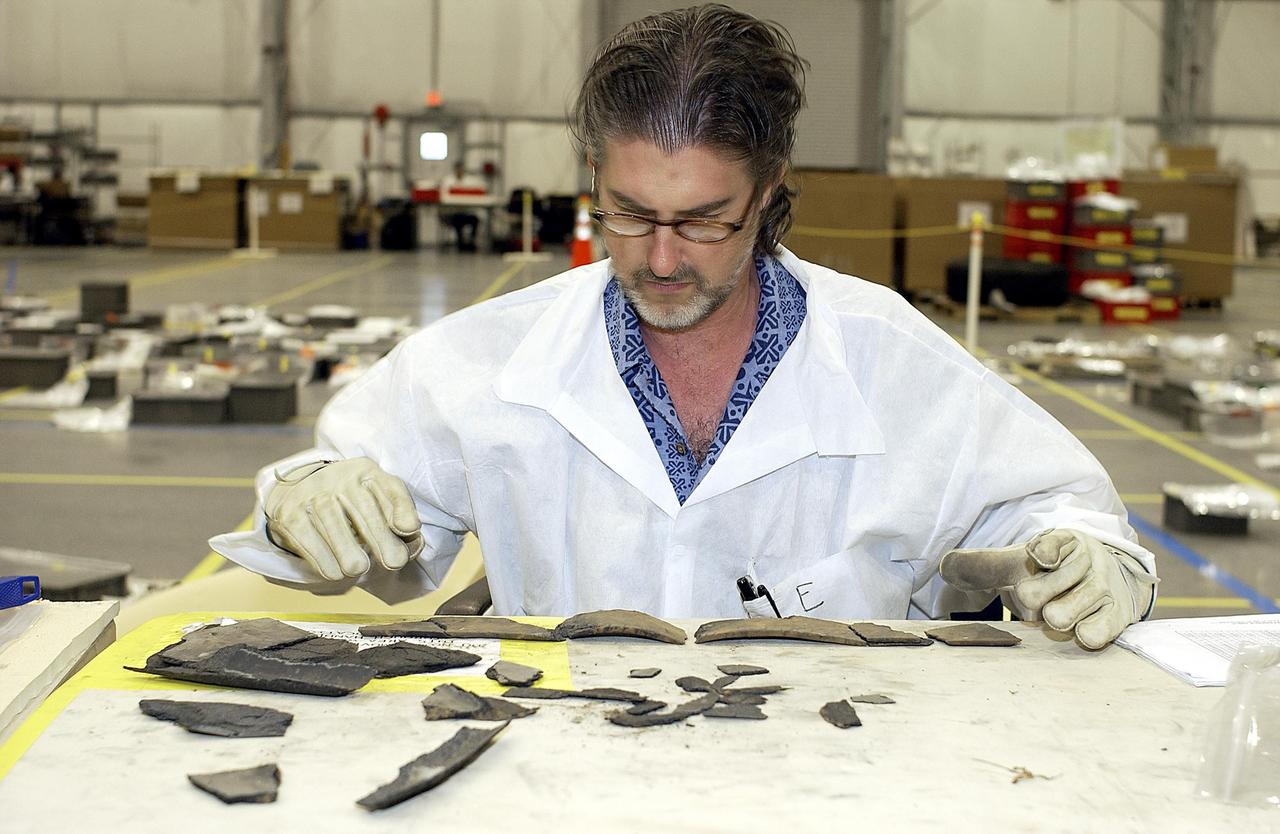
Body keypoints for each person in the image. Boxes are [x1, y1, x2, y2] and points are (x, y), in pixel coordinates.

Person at [212, 4, 1156, 650]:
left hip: (831, 786)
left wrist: (1090, 561)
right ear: (592, 182)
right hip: (560, 776)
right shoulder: (492, 360)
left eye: (706, 221)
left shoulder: (890, 360)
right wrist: (303, 500)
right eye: (628, 215)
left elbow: (1060, 513)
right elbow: (332, 512)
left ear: (771, 195)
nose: (662, 260)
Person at [439, 162, 482, 251]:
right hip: (453, 212)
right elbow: (443, 195)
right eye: (458, 169)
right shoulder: (448, 180)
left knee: (475, 219)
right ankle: (460, 243)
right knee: (457, 219)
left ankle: (471, 241)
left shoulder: (471, 181)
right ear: (455, 170)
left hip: (467, 212)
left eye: (461, 169)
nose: (459, 171)